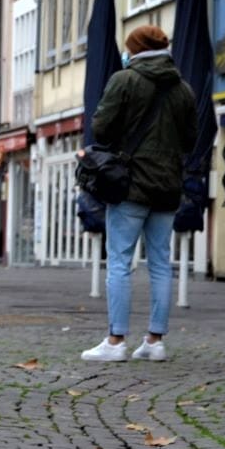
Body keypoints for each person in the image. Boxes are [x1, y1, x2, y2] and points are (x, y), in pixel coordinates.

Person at [81, 25, 197, 363]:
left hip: (129, 184)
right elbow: (190, 140)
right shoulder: (184, 90)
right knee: (161, 263)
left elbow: (101, 128)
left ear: (135, 50)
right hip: (167, 187)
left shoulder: (124, 81)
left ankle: (116, 341)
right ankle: (155, 341)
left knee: (119, 261)